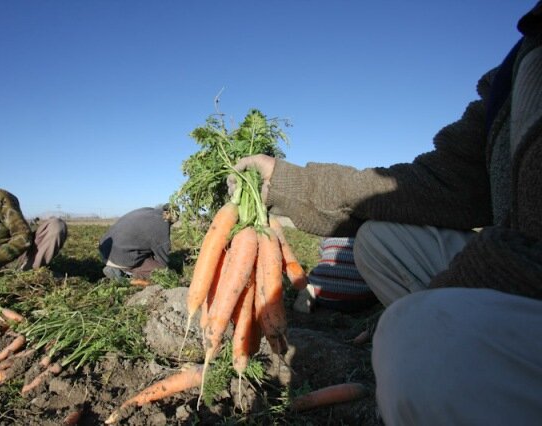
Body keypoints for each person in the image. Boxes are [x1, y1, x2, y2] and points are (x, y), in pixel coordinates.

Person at [228, 3, 542, 425]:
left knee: (411, 338)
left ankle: (445, 364)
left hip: (525, 269)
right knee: (380, 239)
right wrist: (286, 182)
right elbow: (423, 183)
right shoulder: (519, 64)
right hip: (518, 265)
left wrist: (436, 301)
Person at [98, 205, 176, 280]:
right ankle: (122, 273)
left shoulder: (147, 210)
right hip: (119, 257)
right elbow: (163, 259)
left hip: (104, 250)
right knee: (161, 272)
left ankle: (117, 266)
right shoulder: (162, 223)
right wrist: (169, 270)